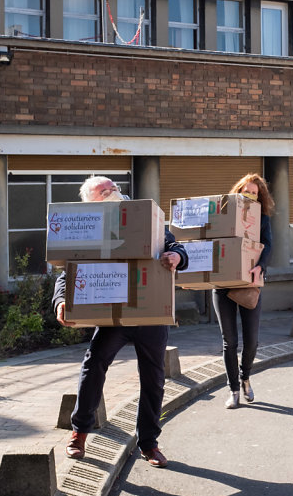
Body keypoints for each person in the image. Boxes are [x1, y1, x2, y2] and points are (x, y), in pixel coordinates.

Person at [53, 176, 188, 469]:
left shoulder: (143, 217)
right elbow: (68, 269)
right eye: (104, 191)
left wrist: (175, 256)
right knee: (94, 364)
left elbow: (178, 246)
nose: (112, 191)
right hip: (113, 313)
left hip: (149, 311)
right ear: (91, 204)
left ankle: (149, 443)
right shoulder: (88, 228)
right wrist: (61, 301)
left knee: (153, 378)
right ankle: (79, 433)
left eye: (113, 186)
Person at [213, 173, 274, 408]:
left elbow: (268, 245)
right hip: (223, 285)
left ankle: (245, 376)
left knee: (252, 341)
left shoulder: (263, 218)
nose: (249, 195)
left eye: (254, 192)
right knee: (229, 341)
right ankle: (234, 391)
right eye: (246, 190)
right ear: (238, 191)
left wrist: (261, 267)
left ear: (260, 197)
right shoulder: (224, 215)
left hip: (250, 282)